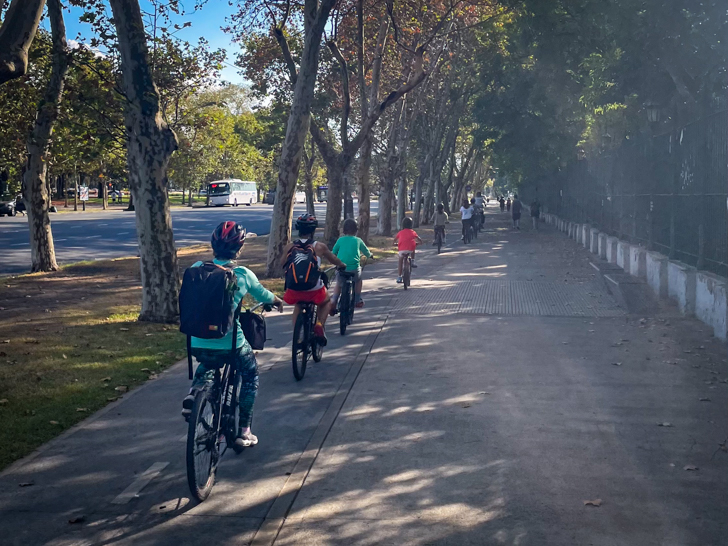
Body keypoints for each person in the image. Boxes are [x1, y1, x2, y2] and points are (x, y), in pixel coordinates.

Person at [182, 221, 284, 449]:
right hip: (230, 344)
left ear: (213, 245)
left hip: (196, 340)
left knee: (208, 361)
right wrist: (276, 301)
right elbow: (264, 294)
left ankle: (195, 392)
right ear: (239, 249)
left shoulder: (197, 267)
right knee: (250, 375)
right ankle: (244, 431)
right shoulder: (242, 274)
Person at [281, 214, 345, 346]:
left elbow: (282, 263)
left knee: (298, 306)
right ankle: (319, 325)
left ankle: (296, 336)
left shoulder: (289, 246)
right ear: (313, 230)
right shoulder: (319, 246)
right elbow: (333, 259)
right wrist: (342, 265)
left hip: (294, 289)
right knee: (326, 301)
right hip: (314, 289)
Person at [330, 218, 372, 311]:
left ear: (344, 230)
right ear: (356, 230)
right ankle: (357, 299)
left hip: (341, 268)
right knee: (358, 281)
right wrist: (370, 255)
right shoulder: (358, 240)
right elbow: (366, 252)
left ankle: (333, 300)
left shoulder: (340, 240)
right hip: (354, 269)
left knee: (339, 283)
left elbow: (333, 252)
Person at [394, 217, 422, 283]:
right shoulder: (413, 232)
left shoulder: (400, 232)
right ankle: (412, 261)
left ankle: (399, 276)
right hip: (410, 249)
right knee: (413, 246)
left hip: (402, 250)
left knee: (400, 261)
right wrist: (418, 243)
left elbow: (394, 240)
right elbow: (420, 240)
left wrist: (395, 244)